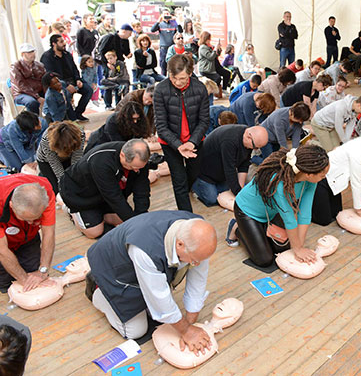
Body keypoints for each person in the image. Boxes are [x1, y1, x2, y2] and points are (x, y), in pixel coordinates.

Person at [87, 211, 217, 347]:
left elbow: (197, 281)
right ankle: (97, 289)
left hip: (142, 265)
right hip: (111, 269)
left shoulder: (199, 237)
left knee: (164, 315)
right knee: (136, 331)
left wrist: (190, 324)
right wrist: (186, 331)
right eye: (195, 261)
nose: (196, 264)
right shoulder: (145, 249)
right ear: (179, 245)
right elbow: (159, 298)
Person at [230, 145, 329, 267]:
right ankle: (238, 228)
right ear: (309, 174)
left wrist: (300, 247)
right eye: (322, 174)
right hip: (247, 212)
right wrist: (297, 249)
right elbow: (289, 219)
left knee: (283, 248)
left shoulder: (310, 181)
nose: (324, 177)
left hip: (272, 213)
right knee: (264, 260)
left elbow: (304, 212)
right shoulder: (279, 182)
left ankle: (258, 231)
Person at [60, 139, 150, 238]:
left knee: (123, 218)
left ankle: (99, 215)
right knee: (95, 232)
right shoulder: (101, 162)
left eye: (139, 168)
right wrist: (135, 224)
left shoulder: (140, 162)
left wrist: (142, 217)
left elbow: (142, 189)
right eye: (133, 167)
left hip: (102, 193)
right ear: (122, 155)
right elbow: (114, 198)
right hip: (80, 194)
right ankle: (68, 208)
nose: (136, 170)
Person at [154, 55, 210, 212]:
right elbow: (161, 125)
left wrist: (192, 142)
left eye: (183, 79)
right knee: (178, 181)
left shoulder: (200, 88)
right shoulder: (161, 89)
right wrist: (178, 146)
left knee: (193, 173)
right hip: (170, 143)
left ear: (190, 74)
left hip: (195, 141)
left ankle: (186, 190)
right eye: (174, 78)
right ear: (169, 74)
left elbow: (204, 120)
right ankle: (187, 218)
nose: (178, 82)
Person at [0, 175, 55, 293]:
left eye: (36, 218)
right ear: (11, 206)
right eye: (26, 219)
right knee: (5, 283)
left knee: (35, 273)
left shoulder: (45, 192)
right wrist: (23, 279)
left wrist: (43, 270)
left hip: (26, 237)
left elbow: (48, 233)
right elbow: (2, 250)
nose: (32, 223)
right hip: (3, 241)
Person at [192, 125, 268, 207]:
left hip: (221, 171)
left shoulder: (247, 140)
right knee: (212, 199)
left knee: (226, 193)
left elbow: (244, 165)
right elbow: (229, 170)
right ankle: (195, 184)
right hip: (205, 172)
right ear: (249, 136)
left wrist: (240, 190)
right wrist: (238, 194)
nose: (255, 150)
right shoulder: (229, 140)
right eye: (255, 147)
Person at [41, 34, 91, 121]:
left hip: (72, 80)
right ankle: (71, 118)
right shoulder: (47, 57)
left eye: (64, 41)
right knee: (66, 93)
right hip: (59, 83)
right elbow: (50, 76)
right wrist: (66, 85)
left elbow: (75, 69)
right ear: (54, 44)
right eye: (61, 42)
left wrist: (78, 79)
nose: (64, 43)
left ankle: (78, 113)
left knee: (88, 90)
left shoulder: (67, 54)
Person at [36, 121, 84, 194]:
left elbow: (76, 159)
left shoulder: (79, 134)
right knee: (55, 187)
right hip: (46, 161)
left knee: (75, 179)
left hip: (69, 156)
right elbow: (55, 164)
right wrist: (63, 184)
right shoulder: (47, 139)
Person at [85, 101, 150, 152]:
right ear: (126, 117)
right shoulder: (113, 120)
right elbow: (116, 142)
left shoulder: (139, 122)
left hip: (120, 142)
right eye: (133, 119)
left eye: (137, 119)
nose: (135, 121)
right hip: (102, 141)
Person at [10, 43, 45, 114]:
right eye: (29, 52)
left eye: (33, 52)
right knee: (32, 102)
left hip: (38, 91)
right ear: (23, 54)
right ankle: (33, 123)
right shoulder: (15, 67)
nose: (32, 54)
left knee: (53, 96)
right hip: (21, 94)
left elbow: (45, 80)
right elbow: (21, 85)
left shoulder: (39, 65)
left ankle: (55, 120)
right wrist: (37, 97)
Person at [151, 11, 182, 75]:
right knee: (163, 66)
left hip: (172, 48)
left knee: (173, 66)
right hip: (163, 48)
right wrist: (158, 21)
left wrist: (177, 21)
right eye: (165, 14)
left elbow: (180, 31)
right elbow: (152, 30)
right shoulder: (160, 24)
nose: (166, 15)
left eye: (168, 14)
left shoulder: (173, 24)